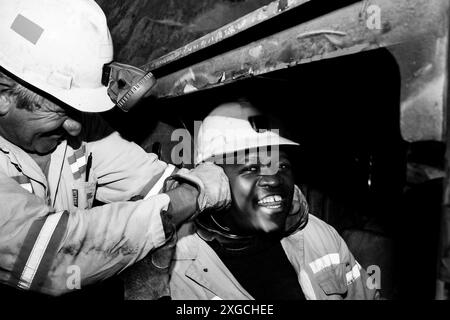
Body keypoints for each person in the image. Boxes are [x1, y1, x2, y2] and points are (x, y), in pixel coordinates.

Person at [0, 0, 230, 297]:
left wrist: (212, 185)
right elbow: (53, 258)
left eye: (78, 111)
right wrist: (188, 199)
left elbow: (156, 182)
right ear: (3, 97)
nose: (75, 128)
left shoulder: (84, 129)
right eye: (60, 111)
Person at [169, 100, 378, 300]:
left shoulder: (317, 234)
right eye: (251, 168)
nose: (274, 179)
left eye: (283, 166)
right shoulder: (175, 267)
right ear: (212, 179)